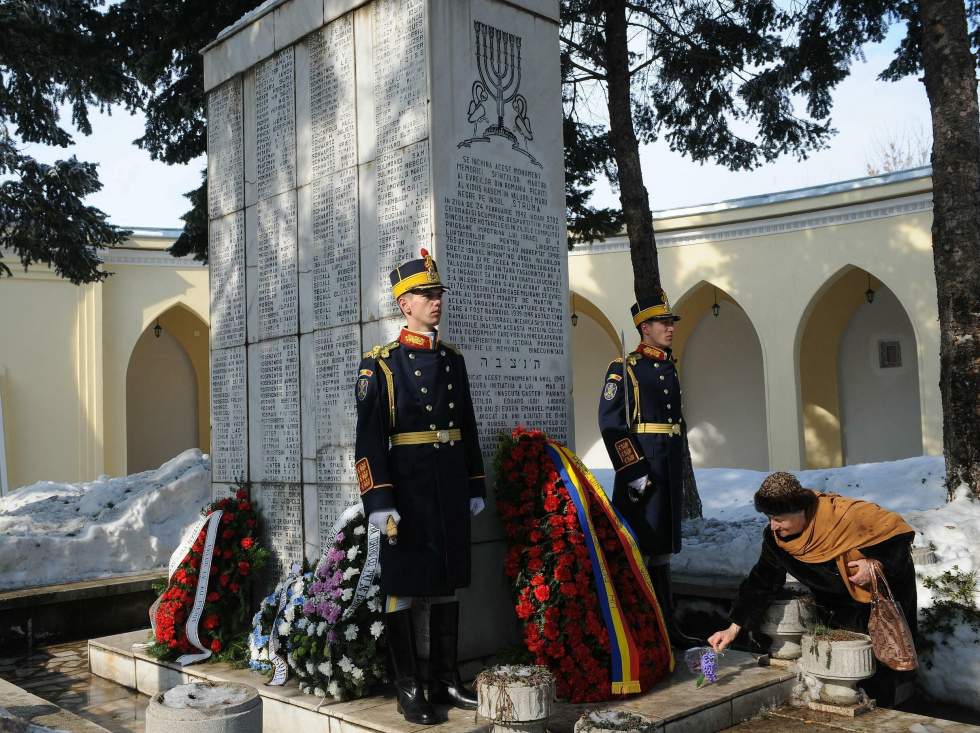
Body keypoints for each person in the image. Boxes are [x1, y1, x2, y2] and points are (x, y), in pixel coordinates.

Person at [354, 248, 486, 723]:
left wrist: (474, 484)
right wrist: (380, 500)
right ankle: (408, 687)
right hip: (407, 490)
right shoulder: (381, 365)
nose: (436, 301)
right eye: (425, 294)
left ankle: (447, 680)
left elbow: (467, 425)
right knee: (403, 585)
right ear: (403, 303)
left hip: (448, 484)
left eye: (437, 293)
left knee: (448, 579)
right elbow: (368, 442)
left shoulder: (452, 359)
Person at [707, 472, 918, 707]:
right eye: (769, 518)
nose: (773, 526)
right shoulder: (776, 539)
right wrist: (733, 627)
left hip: (876, 603)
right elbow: (762, 580)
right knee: (842, 675)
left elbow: (898, 535)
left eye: (778, 518)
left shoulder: (846, 516)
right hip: (836, 607)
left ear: (801, 511)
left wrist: (878, 564)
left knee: (878, 673)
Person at [598, 290, 700, 648]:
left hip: (667, 464)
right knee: (641, 547)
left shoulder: (667, 366)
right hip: (643, 469)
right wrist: (633, 469)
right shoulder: (625, 368)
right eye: (663, 322)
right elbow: (612, 424)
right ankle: (641, 629)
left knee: (662, 548)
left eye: (671, 322)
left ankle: (666, 627)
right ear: (644, 328)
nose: (670, 328)